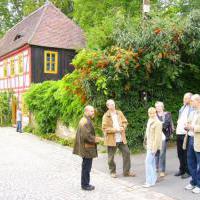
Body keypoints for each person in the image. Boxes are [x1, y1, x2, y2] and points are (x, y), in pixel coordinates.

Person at [102, 99, 135, 178]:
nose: (113, 106)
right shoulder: (106, 116)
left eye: (113, 104)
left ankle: (126, 172)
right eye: (111, 105)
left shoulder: (119, 113)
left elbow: (125, 121)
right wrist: (115, 130)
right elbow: (104, 129)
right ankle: (112, 171)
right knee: (111, 157)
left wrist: (123, 127)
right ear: (108, 106)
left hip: (121, 138)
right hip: (112, 140)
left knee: (127, 153)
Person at [73, 105, 101, 191]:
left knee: (86, 167)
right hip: (87, 148)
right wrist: (97, 139)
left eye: (93, 111)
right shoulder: (85, 121)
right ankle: (85, 185)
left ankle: (85, 183)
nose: (93, 113)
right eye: (91, 111)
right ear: (86, 111)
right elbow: (87, 136)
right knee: (86, 168)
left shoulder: (85, 120)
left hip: (86, 147)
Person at [184, 94, 200, 194]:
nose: (191, 102)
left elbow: (196, 127)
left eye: (192, 101)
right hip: (190, 138)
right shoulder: (193, 112)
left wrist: (192, 127)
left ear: (198, 101)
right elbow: (189, 123)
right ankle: (194, 181)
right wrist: (187, 126)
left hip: (198, 140)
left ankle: (199, 184)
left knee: (199, 164)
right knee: (191, 162)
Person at [143, 107, 162, 188]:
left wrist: (154, 148)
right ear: (148, 113)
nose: (151, 115)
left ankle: (149, 181)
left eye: (153, 113)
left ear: (156, 113)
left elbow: (157, 137)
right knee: (152, 163)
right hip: (149, 144)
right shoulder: (149, 120)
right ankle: (153, 180)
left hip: (153, 146)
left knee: (147, 162)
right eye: (150, 113)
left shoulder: (157, 122)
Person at [175, 92, 193, 179]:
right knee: (179, 153)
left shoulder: (192, 109)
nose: (184, 99)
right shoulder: (183, 107)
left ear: (190, 99)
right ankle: (181, 169)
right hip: (179, 132)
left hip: (185, 134)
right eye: (184, 98)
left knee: (186, 153)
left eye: (186, 98)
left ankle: (188, 171)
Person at [155, 101, 174, 177]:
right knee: (156, 152)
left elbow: (165, 125)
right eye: (156, 107)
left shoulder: (167, 114)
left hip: (163, 136)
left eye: (159, 106)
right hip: (156, 136)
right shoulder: (154, 115)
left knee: (162, 153)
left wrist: (157, 124)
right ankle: (156, 167)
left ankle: (162, 170)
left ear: (162, 107)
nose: (157, 108)